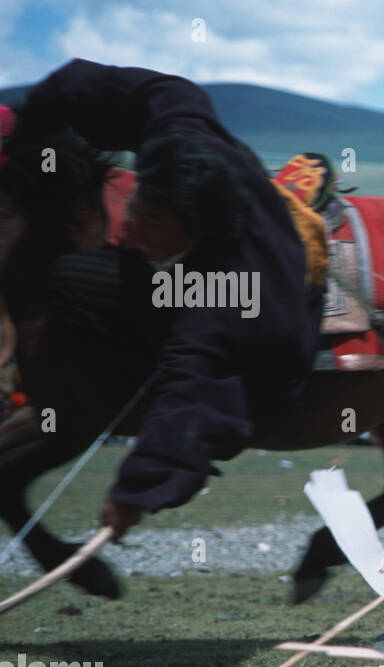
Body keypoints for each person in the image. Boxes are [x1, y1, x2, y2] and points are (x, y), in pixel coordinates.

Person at [4, 59, 324, 541]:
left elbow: (193, 382)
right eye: (138, 210)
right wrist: (35, 126)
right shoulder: (179, 135)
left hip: (273, 326)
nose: (131, 230)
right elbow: (152, 89)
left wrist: (136, 489)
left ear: (197, 231)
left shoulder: (227, 292)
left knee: (81, 277)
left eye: (153, 226)